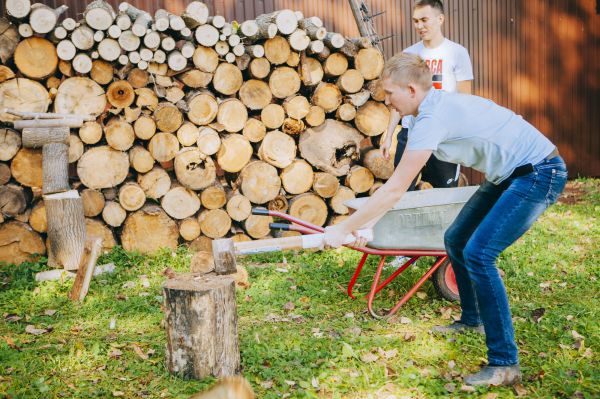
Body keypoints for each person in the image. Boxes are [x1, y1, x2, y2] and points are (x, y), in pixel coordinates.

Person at [323, 52, 567, 386]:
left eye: (390, 93)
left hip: (538, 173)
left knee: (480, 254)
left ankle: (505, 363)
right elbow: (397, 188)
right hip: (509, 174)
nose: (387, 102)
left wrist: (344, 228)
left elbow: (396, 189)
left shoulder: (432, 118)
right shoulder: (430, 108)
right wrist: (363, 223)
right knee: (456, 239)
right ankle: (471, 319)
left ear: (411, 89)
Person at [380, 0, 474, 190]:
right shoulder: (409, 54)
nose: (419, 26)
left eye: (424, 20)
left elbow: (465, 100)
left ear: (440, 19)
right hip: (411, 133)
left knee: (444, 191)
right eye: (415, 21)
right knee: (401, 189)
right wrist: (389, 135)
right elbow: (399, 99)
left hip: (443, 135)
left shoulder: (457, 53)